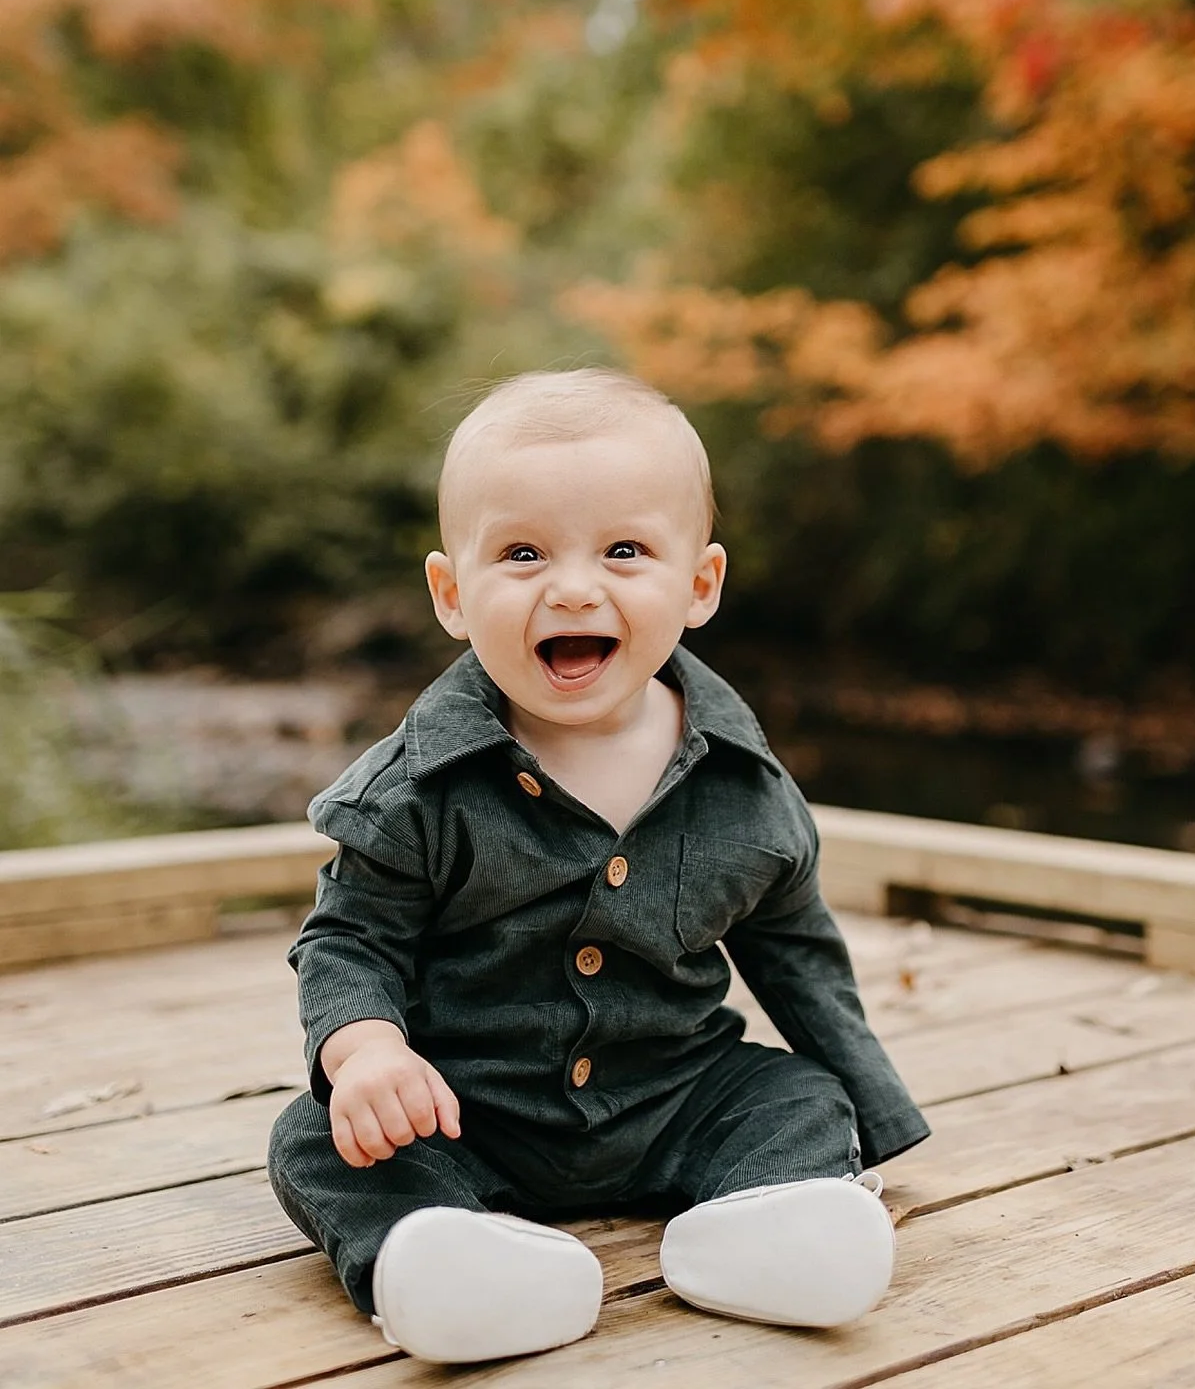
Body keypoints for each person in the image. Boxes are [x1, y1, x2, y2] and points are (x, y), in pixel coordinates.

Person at [267, 367, 930, 1364]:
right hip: (467, 1107)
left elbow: (795, 949)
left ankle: (768, 1230)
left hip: (674, 1097)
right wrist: (366, 1053)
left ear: (698, 585)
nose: (573, 586)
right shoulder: (415, 787)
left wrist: (869, 1111)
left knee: (799, 1100)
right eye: (523, 552)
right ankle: (446, 1261)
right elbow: (351, 936)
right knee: (317, 1140)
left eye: (625, 550)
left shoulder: (742, 785)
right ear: (452, 594)